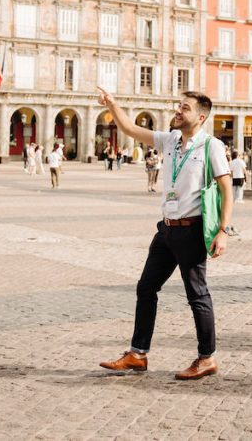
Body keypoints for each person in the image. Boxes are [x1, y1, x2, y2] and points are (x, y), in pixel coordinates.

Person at [97, 88, 232, 380]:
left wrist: (223, 231)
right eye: (179, 106)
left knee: (197, 295)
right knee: (146, 288)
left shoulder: (211, 146)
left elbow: (226, 187)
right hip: (166, 230)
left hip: (193, 230)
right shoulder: (170, 140)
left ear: (200, 116)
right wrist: (113, 104)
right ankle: (138, 354)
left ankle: (207, 358)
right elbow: (131, 129)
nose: (178, 111)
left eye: (185, 108)